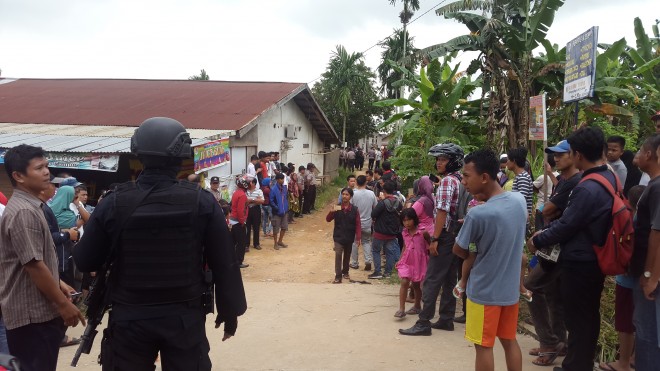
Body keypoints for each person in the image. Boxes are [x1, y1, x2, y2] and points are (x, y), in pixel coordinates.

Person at [73, 117, 247, 370]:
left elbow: (86, 260)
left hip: (130, 319)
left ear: (137, 153)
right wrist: (230, 311)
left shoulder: (113, 202)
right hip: (184, 318)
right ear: (182, 156)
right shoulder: (203, 202)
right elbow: (225, 263)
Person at [527, 126, 614, 371]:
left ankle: (573, 363)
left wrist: (539, 239)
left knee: (579, 318)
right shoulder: (605, 178)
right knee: (583, 316)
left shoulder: (586, 187)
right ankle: (575, 361)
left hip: (580, 260)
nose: (557, 157)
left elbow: (566, 224)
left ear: (577, 154)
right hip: (589, 257)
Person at [0, 144, 85, 371]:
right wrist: (62, 304)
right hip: (31, 315)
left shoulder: (33, 206)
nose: (47, 172)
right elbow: (33, 265)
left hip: (35, 312)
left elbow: (31, 258)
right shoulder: (24, 211)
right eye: (39, 168)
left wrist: (59, 283)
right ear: (18, 176)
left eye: (47, 166)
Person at [452, 149, 526, 371]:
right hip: (509, 292)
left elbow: (459, 250)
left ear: (484, 177)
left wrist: (471, 250)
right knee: (509, 341)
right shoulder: (518, 200)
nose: (463, 181)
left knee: (483, 346)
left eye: (466, 176)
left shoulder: (478, 214)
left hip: (484, 293)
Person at [399, 143, 464, 336]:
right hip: (456, 235)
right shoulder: (460, 180)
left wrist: (435, 238)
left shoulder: (446, 182)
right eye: (438, 159)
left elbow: (442, 210)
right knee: (450, 278)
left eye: (443, 159)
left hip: (444, 235)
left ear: (453, 161)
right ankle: (446, 318)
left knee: (431, 279)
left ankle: (424, 322)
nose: (438, 163)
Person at [524, 140, 577, 367]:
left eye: (561, 154)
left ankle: (548, 342)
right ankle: (559, 342)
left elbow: (548, 209)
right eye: (554, 154)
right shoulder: (563, 180)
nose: (556, 158)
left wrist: (543, 229)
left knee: (531, 285)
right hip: (554, 244)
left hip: (557, 246)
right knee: (553, 293)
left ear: (574, 155)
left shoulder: (573, 182)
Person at [629, 134, 660, 370]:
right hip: (645, 273)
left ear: (650, 154)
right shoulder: (651, 185)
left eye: (640, 150)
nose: (637, 154)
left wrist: (650, 276)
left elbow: (657, 235)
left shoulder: (658, 188)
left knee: (647, 332)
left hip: (650, 279)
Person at [394, 208, 430, 318]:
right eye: (404, 221)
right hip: (407, 261)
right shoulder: (404, 232)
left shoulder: (423, 232)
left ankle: (417, 305)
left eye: (409, 220)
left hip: (419, 261)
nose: (407, 223)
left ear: (414, 219)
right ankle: (401, 309)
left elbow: (430, 246)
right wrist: (400, 260)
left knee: (416, 285)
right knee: (404, 282)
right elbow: (405, 246)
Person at [326, 187, 361, 283]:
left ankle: (345, 271)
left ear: (350, 197)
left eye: (347, 194)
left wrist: (358, 238)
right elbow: (328, 219)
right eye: (343, 194)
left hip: (349, 236)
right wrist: (331, 212)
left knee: (347, 255)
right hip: (338, 236)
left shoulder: (354, 209)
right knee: (338, 255)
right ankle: (338, 276)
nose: (344, 196)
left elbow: (358, 224)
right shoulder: (337, 207)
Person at [369, 181, 402, 279]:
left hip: (380, 232)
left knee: (376, 251)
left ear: (383, 191)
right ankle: (388, 273)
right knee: (390, 252)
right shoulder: (398, 202)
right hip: (392, 232)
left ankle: (377, 272)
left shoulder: (382, 203)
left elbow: (373, 214)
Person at [349, 175, 378, 271]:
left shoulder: (353, 194)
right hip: (367, 223)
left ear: (356, 183)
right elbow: (376, 207)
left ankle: (354, 263)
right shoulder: (371, 194)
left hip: (355, 223)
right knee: (366, 242)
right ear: (366, 183)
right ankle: (368, 261)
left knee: (354, 242)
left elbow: (350, 207)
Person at [506, 147, 534, 222]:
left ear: (514, 161)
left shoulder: (523, 177)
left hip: (520, 220)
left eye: (508, 159)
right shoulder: (520, 176)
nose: (506, 162)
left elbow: (520, 201)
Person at [231, 174, 250, 268]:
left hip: (233, 221)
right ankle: (239, 261)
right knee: (241, 243)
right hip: (238, 222)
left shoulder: (236, 192)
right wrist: (242, 222)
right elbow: (240, 210)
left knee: (233, 242)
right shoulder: (242, 195)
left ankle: (232, 260)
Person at [270, 173, 289, 250]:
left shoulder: (284, 188)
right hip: (277, 212)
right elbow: (271, 201)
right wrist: (276, 208)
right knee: (276, 228)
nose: (283, 180)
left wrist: (286, 206)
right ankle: (275, 243)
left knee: (284, 227)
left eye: (283, 179)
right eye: (281, 179)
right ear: (277, 180)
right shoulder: (273, 189)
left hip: (284, 211)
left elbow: (286, 197)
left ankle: (280, 241)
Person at [245, 177, 264, 251]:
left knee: (256, 227)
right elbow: (245, 201)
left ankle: (256, 244)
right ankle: (246, 245)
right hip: (247, 209)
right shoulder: (245, 191)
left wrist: (251, 200)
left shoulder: (259, 191)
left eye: (250, 182)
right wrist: (256, 200)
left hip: (256, 210)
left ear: (253, 183)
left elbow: (262, 201)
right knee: (247, 227)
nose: (248, 183)